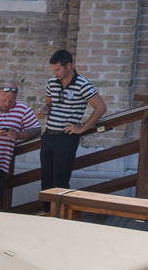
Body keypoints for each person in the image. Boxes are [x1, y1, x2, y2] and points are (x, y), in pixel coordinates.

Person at [40, 50, 106, 192]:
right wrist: (44, 110)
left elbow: (101, 107)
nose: (54, 73)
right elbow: (48, 104)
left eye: (57, 69)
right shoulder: (52, 82)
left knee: (60, 182)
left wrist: (82, 128)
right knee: (46, 181)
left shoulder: (82, 84)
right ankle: (47, 212)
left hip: (65, 138)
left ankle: (57, 214)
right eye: (53, 70)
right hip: (48, 136)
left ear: (68, 65)